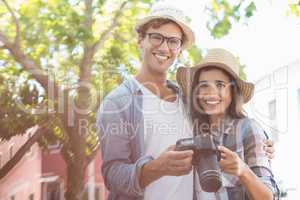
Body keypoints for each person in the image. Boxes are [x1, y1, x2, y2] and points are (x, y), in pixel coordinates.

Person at [96, 3, 275, 200]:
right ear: (141, 39)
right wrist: (156, 168)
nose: (164, 47)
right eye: (156, 37)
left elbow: (227, 125)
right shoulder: (117, 103)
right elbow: (112, 175)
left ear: (180, 49)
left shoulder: (188, 101)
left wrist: (258, 144)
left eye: (173, 41)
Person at [176, 48, 279, 199]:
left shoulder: (248, 129)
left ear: (233, 92)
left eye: (220, 85)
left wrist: (243, 171)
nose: (211, 92)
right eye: (203, 85)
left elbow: (269, 197)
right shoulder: (191, 131)